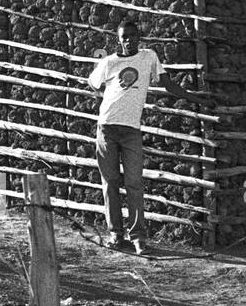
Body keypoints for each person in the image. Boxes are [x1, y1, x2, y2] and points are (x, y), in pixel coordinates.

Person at [87, 19, 206, 253]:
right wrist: (109, 97)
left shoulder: (148, 57)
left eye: (133, 36)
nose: (129, 40)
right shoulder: (108, 62)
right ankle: (115, 235)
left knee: (134, 184)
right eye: (124, 37)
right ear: (118, 40)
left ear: (139, 37)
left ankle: (138, 238)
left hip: (131, 130)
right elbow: (93, 84)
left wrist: (199, 100)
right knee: (110, 183)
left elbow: (168, 85)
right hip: (107, 128)